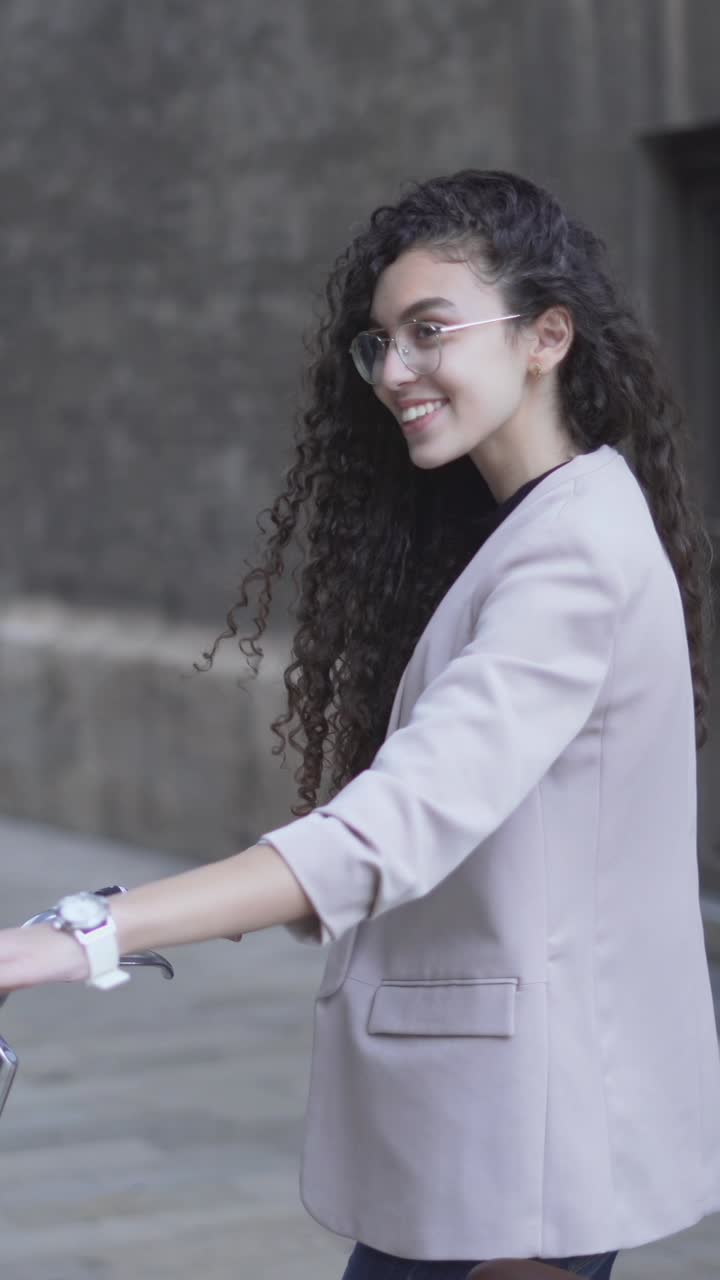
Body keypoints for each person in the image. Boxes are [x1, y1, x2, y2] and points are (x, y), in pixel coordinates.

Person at [1, 169, 719, 1280]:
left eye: (429, 330)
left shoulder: (571, 552)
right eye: (379, 341)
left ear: (547, 335)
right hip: (492, 1131)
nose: (394, 371)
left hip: (528, 1140)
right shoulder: (529, 527)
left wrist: (91, 929)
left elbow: (391, 826)